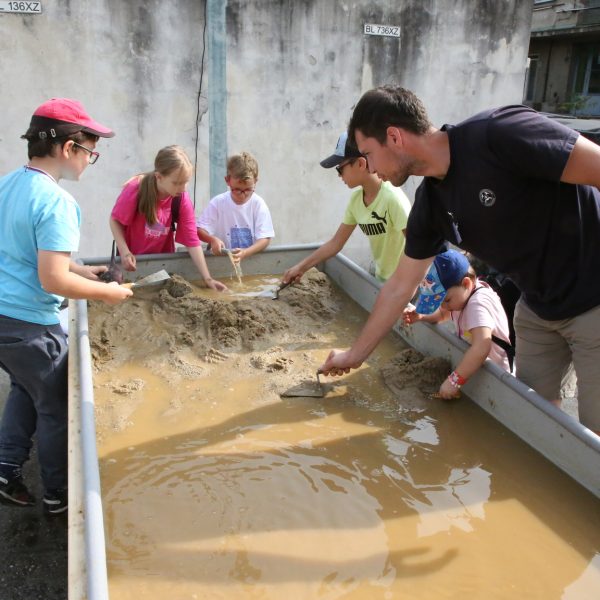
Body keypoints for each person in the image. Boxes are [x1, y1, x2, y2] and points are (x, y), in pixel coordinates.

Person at [320, 85, 600, 435]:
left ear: (393, 137)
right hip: (536, 310)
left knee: (593, 435)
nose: (370, 166)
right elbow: (399, 286)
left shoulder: (498, 134)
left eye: (368, 154)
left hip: (593, 298)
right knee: (534, 429)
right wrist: (355, 356)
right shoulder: (430, 205)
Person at [0, 98, 133, 514]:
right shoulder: (58, 202)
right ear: (68, 148)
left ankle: (6, 468)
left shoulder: (8, 184)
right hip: (31, 325)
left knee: (25, 386)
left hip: (4, 320)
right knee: (56, 407)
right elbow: (52, 280)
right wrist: (108, 293)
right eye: (91, 152)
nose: (90, 160)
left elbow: (22, 251)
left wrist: (81, 270)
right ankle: (59, 495)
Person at [282, 132, 411, 284]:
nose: (339, 176)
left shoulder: (392, 198)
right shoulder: (356, 200)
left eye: (340, 169)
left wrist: (404, 286)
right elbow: (336, 243)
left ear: (361, 164)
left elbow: (418, 246)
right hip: (381, 279)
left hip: (406, 283)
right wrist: (301, 267)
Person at [110, 145, 226, 291]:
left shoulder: (181, 198)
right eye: (176, 183)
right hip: (133, 264)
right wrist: (125, 252)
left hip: (163, 265)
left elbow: (192, 240)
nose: (183, 188)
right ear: (159, 177)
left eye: (185, 182)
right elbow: (115, 220)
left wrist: (208, 278)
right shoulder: (135, 189)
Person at [403, 249, 512, 399]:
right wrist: (422, 316)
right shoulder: (460, 298)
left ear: (466, 283)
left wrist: (454, 381)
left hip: (496, 375)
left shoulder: (477, 304)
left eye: (446, 300)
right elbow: (443, 314)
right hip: (472, 366)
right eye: (438, 302)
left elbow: (482, 347)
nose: (444, 306)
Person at [196, 152, 274, 265]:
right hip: (221, 262)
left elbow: (265, 238)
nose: (242, 194)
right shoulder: (218, 203)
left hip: (251, 261)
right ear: (227, 180)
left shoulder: (258, 204)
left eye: (248, 190)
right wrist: (212, 240)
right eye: (237, 189)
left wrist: (246, 252)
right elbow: (200, 230)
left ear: (256, 182)